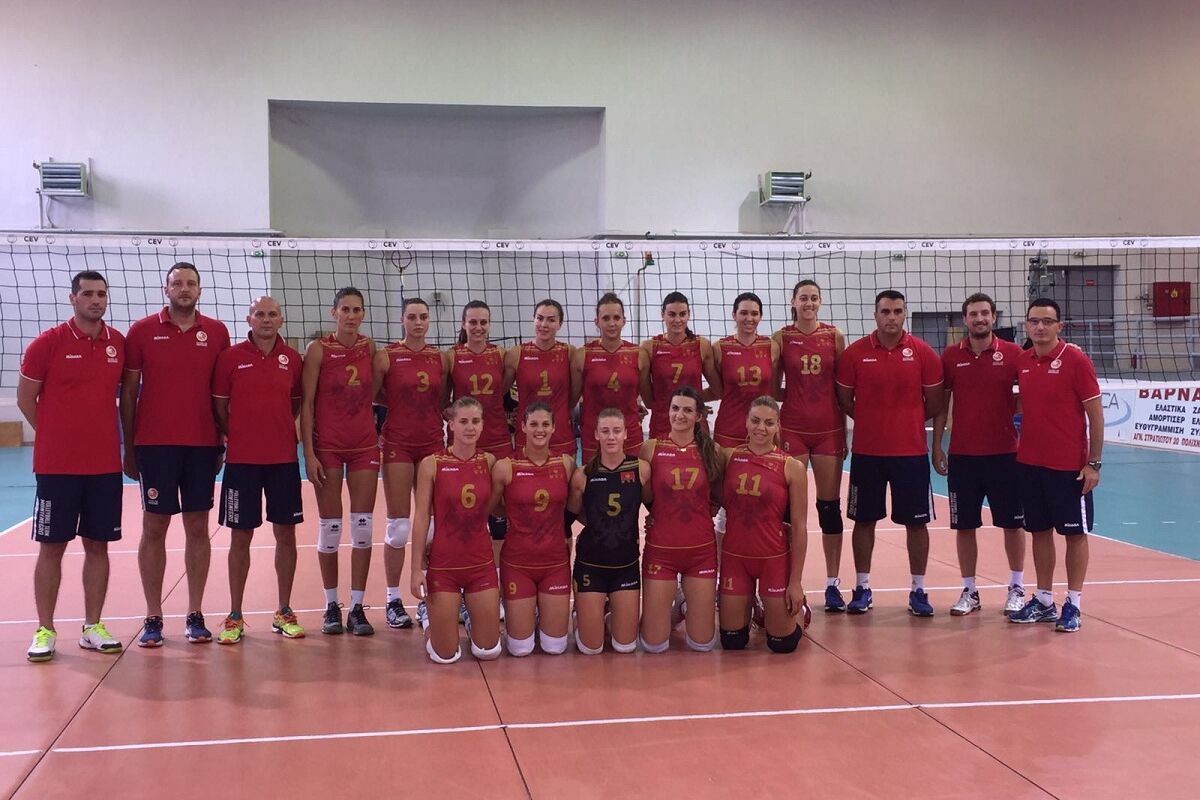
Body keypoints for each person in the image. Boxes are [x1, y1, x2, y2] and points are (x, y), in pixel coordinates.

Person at [121, 262, 230, 646]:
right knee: (154, 527)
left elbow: (222, 393)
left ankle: (195, 613)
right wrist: (129, 445)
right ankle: (153, 615)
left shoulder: (217, 332)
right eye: (177, 283)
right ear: (166, 290)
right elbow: (129, 392)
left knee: (198, 527)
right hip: (155, 446)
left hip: (201, 445)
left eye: (191, 283)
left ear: (199, 290)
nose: (184, 289)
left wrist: (221, 440)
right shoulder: (141, 331)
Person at [20, 271, 126, 662]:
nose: (96, 300)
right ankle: (45, 629)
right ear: (73, 298)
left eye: (101, 294)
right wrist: (54, 436)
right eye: (88, 294)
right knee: (52, 547)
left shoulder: (118, 343)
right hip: (57, 467)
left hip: (104, 466)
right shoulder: (47, 343)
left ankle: (92, 626)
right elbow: (26, 399)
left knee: (98, 546)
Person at [835, 289, 943, 616]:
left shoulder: (923, 353)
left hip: (911, 454)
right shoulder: (854, 354)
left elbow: (935, 404)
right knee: (863, 520)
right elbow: (845, 401)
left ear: (904, 314)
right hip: (867, 454)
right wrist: (872, 420)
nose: (892, 317)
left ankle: (918, 590)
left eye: (897, 311)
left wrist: (905, 422)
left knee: (917, 524)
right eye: (886, 311)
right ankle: (862, 587)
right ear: (875, 315)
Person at [211, 296, 305, 643]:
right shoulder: (230, 358)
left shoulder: (292, 359)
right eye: (260, 314)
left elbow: (295, 403)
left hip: (283, 460)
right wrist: (238, 434)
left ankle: (284, 611)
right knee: (240, 537)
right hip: (242, 462)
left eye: (272, 314)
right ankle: (235, 615)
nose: (266, 320)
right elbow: (220, 408)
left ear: (281, 320)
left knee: (286, 534)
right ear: (249, 318)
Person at [1008, 298, 1103, 633]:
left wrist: (1093, 464)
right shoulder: (1022, 361)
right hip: (1030, 464)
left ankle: (1073, 604)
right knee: (1039, 532)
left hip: (1069, 468)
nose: (1040, 327)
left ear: (1059, 326)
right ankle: (1044, 600)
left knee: (1074, 535)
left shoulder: (1076, 359)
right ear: (1026, 325)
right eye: (1034, 321)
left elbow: (1096, 416)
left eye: (1047, 321)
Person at [931, 293, 1027, 617]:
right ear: (965, 319)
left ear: (994, 317)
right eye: (973, 314)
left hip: (1005, 456)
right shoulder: (950, 356)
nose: (980, 318)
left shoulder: (1013, 354)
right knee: (964, 526)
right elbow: (941, 405)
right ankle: (969, 591)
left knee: (1013, 525)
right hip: (963, 456)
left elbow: (1030, 395)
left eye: (985, 313)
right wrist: (937, 445)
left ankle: (1016, 587)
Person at [300, 287, 379, 636]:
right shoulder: (318, 349)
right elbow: (307, 403)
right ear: (334, 313)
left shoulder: (369, 347)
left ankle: (357, 607)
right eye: (345, 309)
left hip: (363, 446)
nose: (351, 315)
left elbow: (375, 392)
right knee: (330, 529)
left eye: (357, 310)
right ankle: (331, 605)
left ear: (363, 314)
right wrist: (309, 453)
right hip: (328, 447)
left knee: (362, 528)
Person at [774, 280, 849, 612]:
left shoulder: (834, 336)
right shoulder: (781, 337)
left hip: (828, 429)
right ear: (793, 302)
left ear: (820, 302)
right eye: (803, 298)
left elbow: (843, 386)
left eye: (814, 298)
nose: (808, 303)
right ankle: (788, 581)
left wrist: (844, 430)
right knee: (789, 510)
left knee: (829, 507)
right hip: (793, 428)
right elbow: (773, 386)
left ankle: (832, 584)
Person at [409, 397, 503, 663]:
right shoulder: (432, 464)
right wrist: (416, 570)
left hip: (480, 565)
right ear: (451, 424)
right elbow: (421, 518)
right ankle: (429, 620)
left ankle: (472, 622)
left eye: (475, 421)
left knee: (489, 651)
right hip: (444, 566)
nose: (469, 427)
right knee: (445, 656)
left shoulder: (490, 462)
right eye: (463, 421)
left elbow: (500, 509)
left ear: (482, 425)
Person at [375, 297, 447, 630]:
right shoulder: (387, 356)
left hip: (432, 443)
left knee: (431, 526)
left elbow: (442, 399)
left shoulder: (440, 358)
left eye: (423, 317)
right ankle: (393, 599)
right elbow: (375, 394)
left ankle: (426, 599)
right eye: (412, 317)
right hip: (398, 444)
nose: (418, 322)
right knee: (399, 527)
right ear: (402, 320)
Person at [717, 397, 810, 653]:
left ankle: (800, 611)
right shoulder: (728, 457)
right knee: (732, 642)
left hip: (773, 559)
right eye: (755, 421)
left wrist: (796, 582)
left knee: (782, 644)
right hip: (735, 558)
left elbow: (799, 527)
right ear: (746, 422)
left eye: (769, 423)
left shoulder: (792, 467)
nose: (761, 428)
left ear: (778, 426)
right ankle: (757, 607)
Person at [638, 387, 720, 653]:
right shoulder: (651, 449)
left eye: (687, 410)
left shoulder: (713, 451)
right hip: (661, 552)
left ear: (698, 416)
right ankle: (675, 607)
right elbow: (644, 496)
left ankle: (684, 605)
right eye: (675, 408)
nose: (679, 415)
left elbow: (721, 494)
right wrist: (656, 515)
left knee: (702, 644)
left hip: (700, 553)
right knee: (653, 645)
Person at [491, 403, 576, 655]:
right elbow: (491, 509)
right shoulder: (506, 467)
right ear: (523, 426)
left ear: (554, 428)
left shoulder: (566, 464)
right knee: (520, 649)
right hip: (518, 563)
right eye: (534, 424)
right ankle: (523, 617)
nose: (540, 430)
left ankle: (556, 614)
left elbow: (574, 509)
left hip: (555, 563)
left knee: (555, 648)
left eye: (545, 424)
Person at [569, 407, 652, 655]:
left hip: (626, 566)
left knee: (625, 647)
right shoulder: (583, 475)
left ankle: (607, 616)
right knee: (591, 649)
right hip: (590, 566)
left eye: (616, 431)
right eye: (605, 431)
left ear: (626, 433)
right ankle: (580, 615)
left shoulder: (641, 469)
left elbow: (654, 507)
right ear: (596, 434)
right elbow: (570, 516)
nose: (611, 437)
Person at [447, 300, 512, 561]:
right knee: (464, 507)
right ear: (463, 324)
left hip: (498, 438)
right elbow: (444, 401)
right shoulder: (451, 356)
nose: (478, 327)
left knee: (500, 511)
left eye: (483, 322)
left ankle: (495, 575)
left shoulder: (501, 355)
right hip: (464, 443)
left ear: (489, 325)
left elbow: (503, 391)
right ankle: (464, 567)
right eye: (472, 322)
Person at [572, 292, 648, 463]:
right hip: (594, 435)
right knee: (593, 479)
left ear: (624, 320)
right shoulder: (582, 355)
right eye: (606, 318)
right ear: (597, 321)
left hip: (629, 434)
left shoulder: (639, 354)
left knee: (632, 478)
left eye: (616, 317)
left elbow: (647, 397)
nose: (612, 323)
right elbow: (571, 400)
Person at [639, 292, 721, 440]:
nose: (677, 320)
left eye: (682, 314)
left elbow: (718, 390)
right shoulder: (649, 347)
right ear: (662, 314)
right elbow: (649, 401)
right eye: (672, 314)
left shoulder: (701, 345)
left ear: (689, 315)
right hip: (662, 424)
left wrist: (692, 401)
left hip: (695, 425)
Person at [503, 299, 576, 458]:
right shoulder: (516, 354)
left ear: (560, 324)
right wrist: (511, 411)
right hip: (528, 433)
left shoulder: (570, 353)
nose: (544, 324)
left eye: (551, 320)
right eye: (540, 318)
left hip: (560, 432)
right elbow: (500, 391)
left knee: (565, 474)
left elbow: (576, 393)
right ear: (533, 319)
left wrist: (565, 410)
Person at [712, 292, 780, 448]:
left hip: (762, 430)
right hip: (729, 428)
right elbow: (717, 390)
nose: (749, 318)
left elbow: (774, 390)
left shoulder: (772, 347)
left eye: (754, 314)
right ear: (734, 315)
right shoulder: (719, 348)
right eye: (743, 313)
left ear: (760, 317)